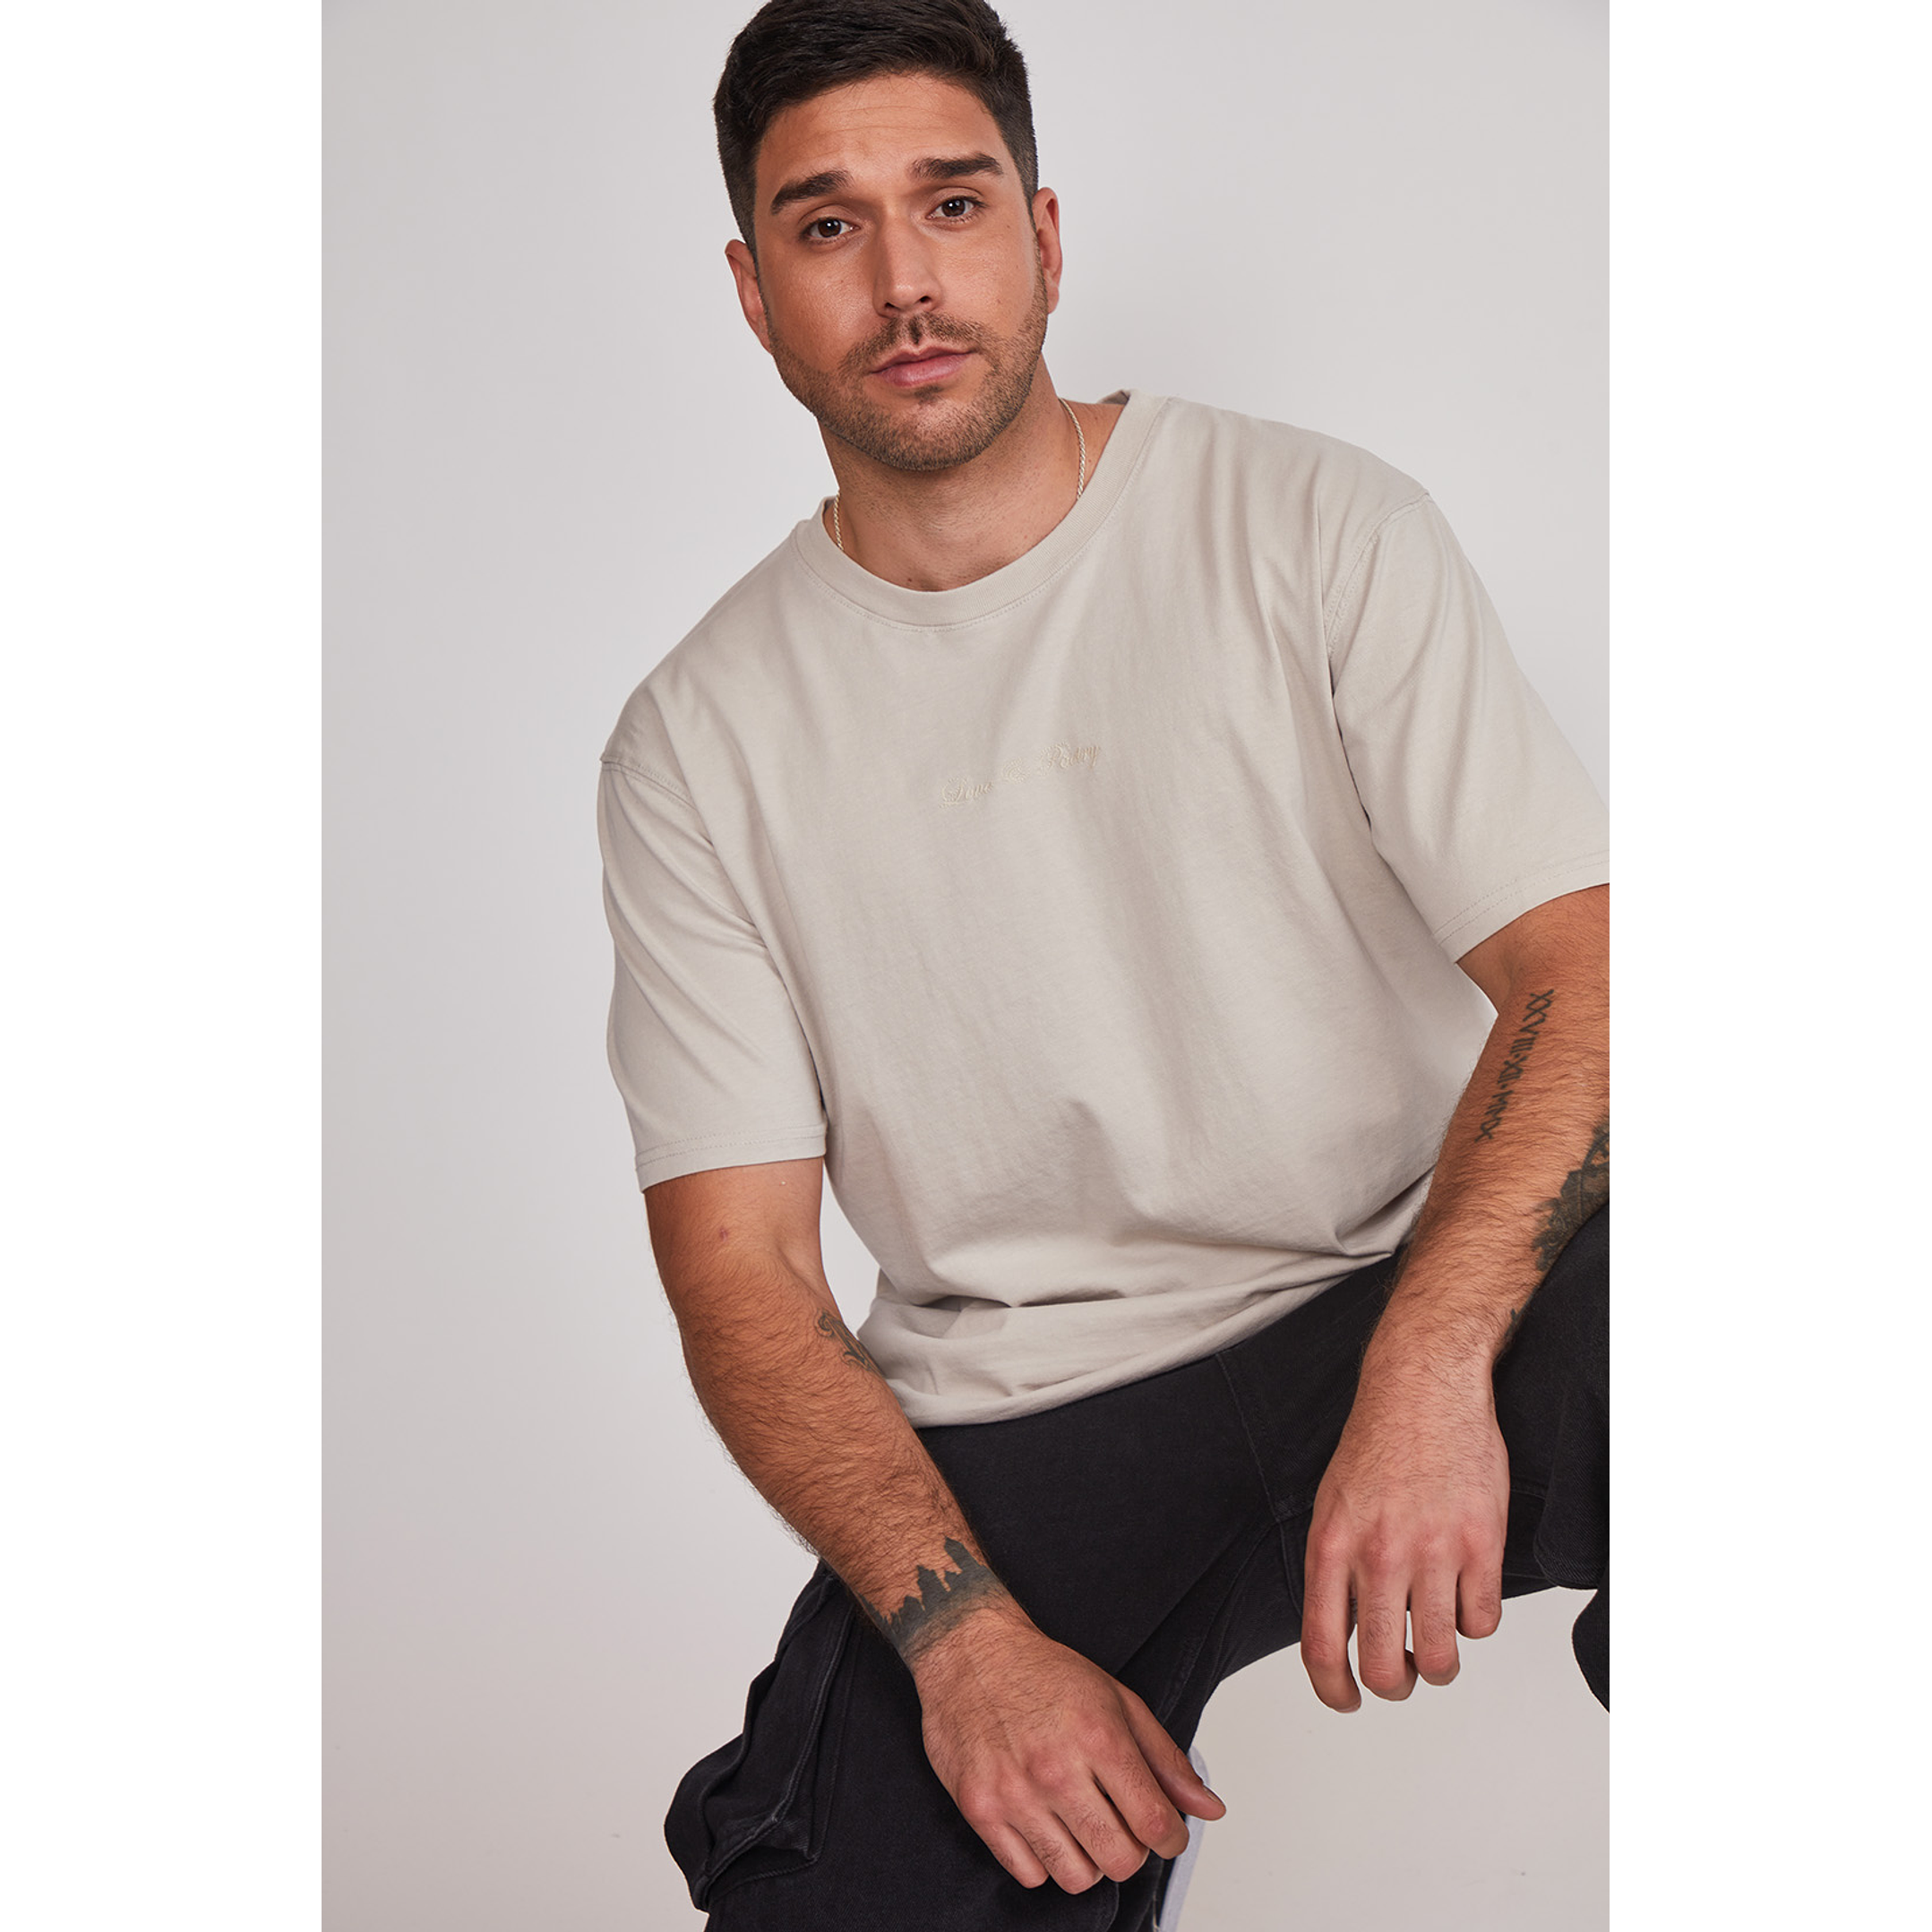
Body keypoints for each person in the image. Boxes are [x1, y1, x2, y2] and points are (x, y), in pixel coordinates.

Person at [597, 2, 1609, 1925]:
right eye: (828, 226)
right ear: (752, 295)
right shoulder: (696, 743)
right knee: (829, 1893)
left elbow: (1583, 959)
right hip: (1035, 1414)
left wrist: (1425, 1363)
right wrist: (966, 1645)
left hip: (1420, 1270)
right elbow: (738, 1274)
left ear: (1044, 239)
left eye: (952, 202)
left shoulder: (1308, 524)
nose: (905, 280)